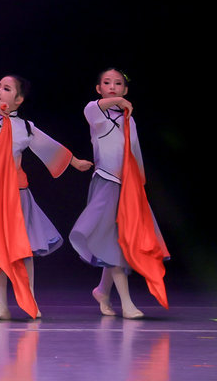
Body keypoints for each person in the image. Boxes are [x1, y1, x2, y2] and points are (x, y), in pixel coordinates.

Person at [0, 75, 92, 320]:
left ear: (19, 99)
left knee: (22, 248)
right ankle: (2, 307)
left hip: (16, 194)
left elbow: (49, 146)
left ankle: (30, 299)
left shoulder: (25, 127)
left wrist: (76, 162)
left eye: (6, 89)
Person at [68, 68, 167, 319]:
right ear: (99, 89)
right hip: (105, 182)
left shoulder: (129, 120)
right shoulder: (95, 112)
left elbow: (135, 153)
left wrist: (139, 187)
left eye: (118, 83)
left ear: (126, 89)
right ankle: (126, 303)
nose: (112, 86)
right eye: (107, 83)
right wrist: (119, 102)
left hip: (126, 187)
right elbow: (94, 107)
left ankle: (102, 291)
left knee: (117, 244)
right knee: (113, 243)